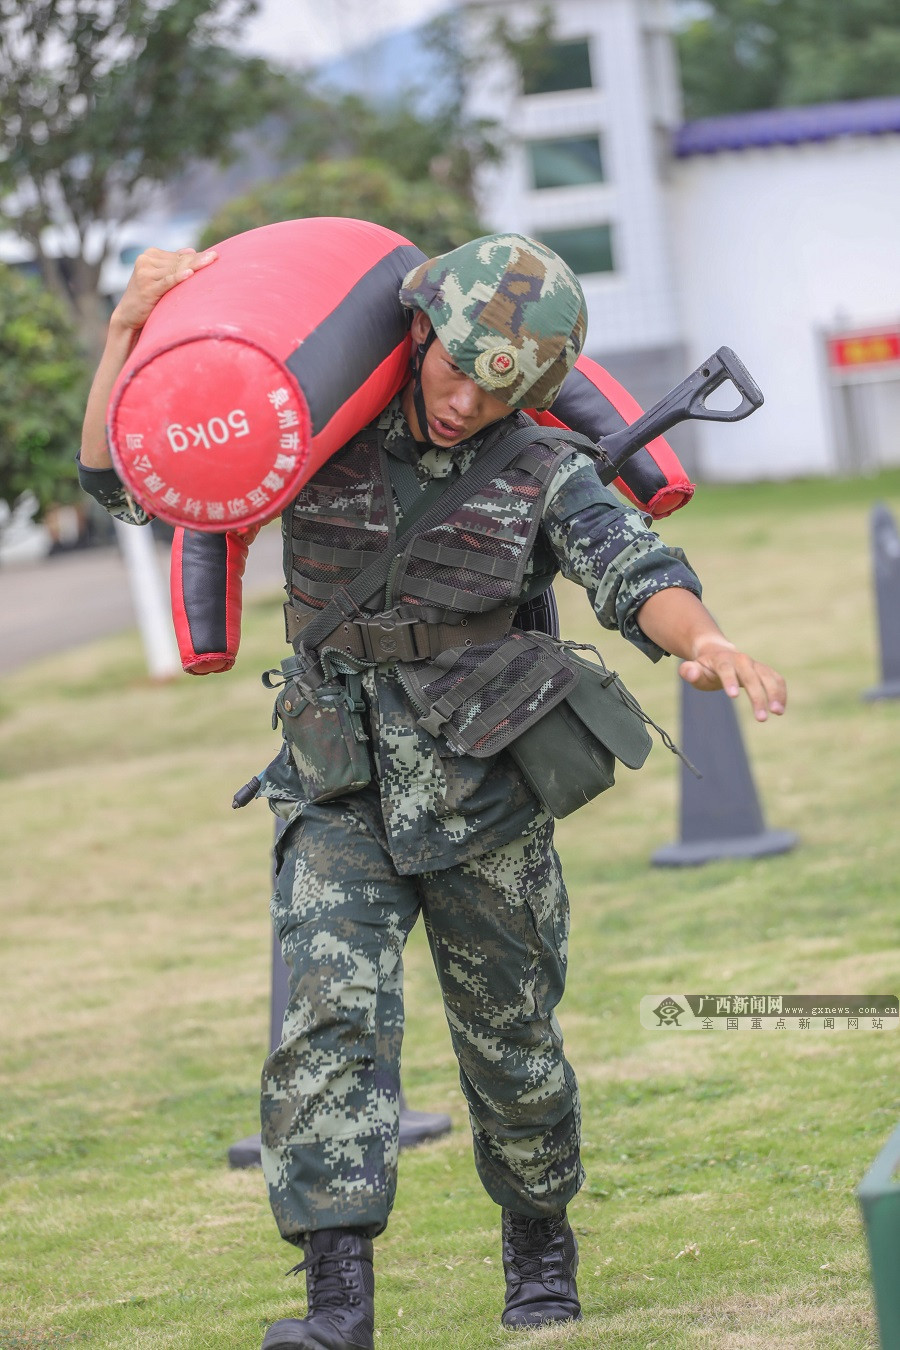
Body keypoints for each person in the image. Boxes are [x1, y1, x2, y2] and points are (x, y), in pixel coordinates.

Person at [80, 233, 786, 1350]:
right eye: (455, 368)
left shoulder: (545, 468)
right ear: (419, 336)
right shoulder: (313, 439)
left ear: (538, 389)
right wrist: (126, 333)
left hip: (481, 792)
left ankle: (539, 1239)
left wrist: (705, 641)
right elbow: (127, 488)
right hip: (334, 784)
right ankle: (335, 1307)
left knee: (512, 1047)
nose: (462, 399)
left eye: (497, 384)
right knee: (324, 1030)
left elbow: (633, 568)